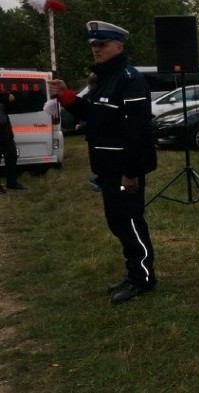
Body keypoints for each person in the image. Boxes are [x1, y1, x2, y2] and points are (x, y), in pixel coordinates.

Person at [48, 21, 157, 304]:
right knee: (117, 221)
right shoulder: (103, 79)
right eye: (94, 46)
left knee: (130, 221)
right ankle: (134, 272)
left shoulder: (129, 79)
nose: (96, 50)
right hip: (106, 167)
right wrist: (67, 96)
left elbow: (138, 131)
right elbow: (93, 115)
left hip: (124, 169)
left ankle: (143, 278)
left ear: (118, 46)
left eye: (102, 45)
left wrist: (131, 173)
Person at [0, 91, 26, 192]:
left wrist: (10, 101)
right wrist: (7, 96)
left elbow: (10, 109)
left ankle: (12, 183)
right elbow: (6, 97)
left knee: (12, 156)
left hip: (6, 133)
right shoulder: (2, 97)